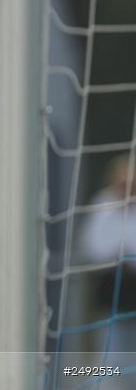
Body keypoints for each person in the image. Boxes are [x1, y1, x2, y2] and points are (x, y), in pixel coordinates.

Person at [81, 154, 136, 368]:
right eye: (122, 183)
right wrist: (116, 256)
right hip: (110, 291)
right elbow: (92, 247)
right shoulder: (102, 205)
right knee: (109, 359)